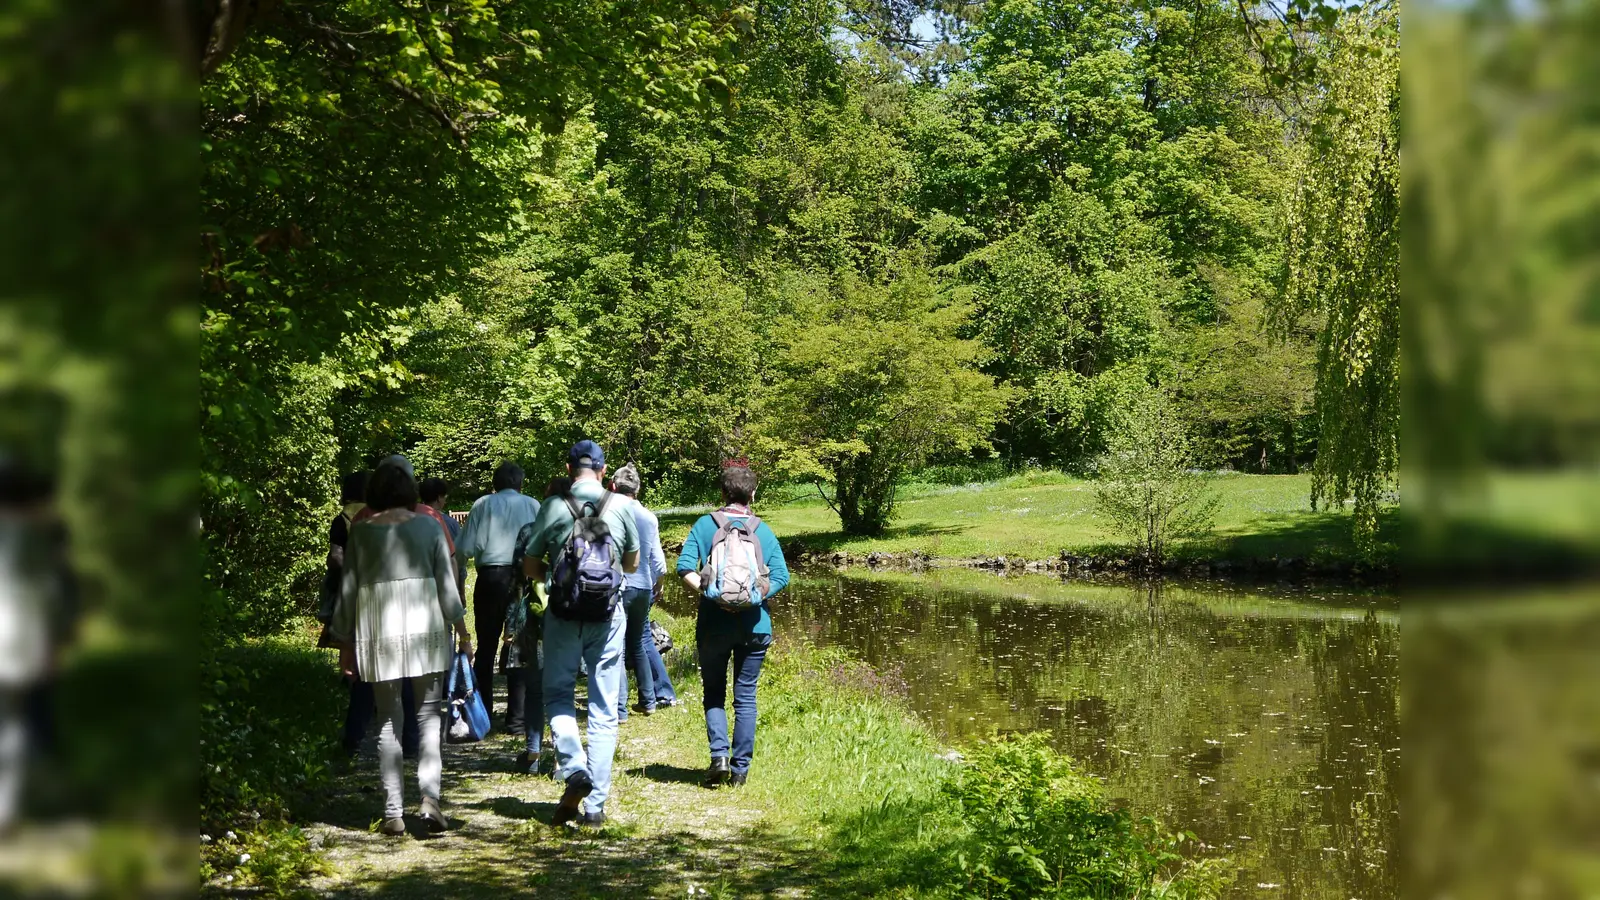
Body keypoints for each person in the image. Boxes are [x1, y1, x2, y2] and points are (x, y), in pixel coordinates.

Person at [329, 456, 472, 835]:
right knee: (427, 717)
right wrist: (463, 630)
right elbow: (447, 585)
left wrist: (344, 642)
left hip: (378, 633)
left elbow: (348, 593)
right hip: (425, 629)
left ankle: (393, 812)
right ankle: (430, 799)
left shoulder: (361, 532)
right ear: (411, 492)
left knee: (388, 721)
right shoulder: (429, 526)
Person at [522, 441, 639, 827]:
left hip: (562, 617)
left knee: (558, 694)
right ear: (604, 471)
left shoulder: (553, 506)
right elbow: (631, 563)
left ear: (570, 468)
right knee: (604, 709)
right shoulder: (621, 506)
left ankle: (574, 769)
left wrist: (557, 582)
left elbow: (530, 564)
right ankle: (595, 807)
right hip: (607, 616)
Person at [676, 463, 789, 788]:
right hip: (756, 626)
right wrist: (754, 597)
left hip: (713, 624)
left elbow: (684, 567)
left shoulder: (704, 525)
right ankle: (740, 771)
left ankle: (718, 757)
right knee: (746, 696)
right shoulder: (762, 531)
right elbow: (782, 576)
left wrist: (713, 594)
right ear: (752, 494)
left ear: (722, 493)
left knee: (713, 692)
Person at [455, 462, 541, 734]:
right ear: (520, 483)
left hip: (490, 577)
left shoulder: (482, 504)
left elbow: (464, 548)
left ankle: (484, 714)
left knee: (487, 646)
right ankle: (517, 719)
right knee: (520, 647)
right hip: (522, 577)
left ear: (495, 483)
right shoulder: (533, 505)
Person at [608, 464, 668, 720]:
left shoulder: (608, 512)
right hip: (643, 585)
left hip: (618, 585)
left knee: (617, 645)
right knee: (640, 642)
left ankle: (619, 709)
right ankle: (648, 700)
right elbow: (657, 560)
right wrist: (659, 582)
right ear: (638, 488)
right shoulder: (648, 516)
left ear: (612, 486)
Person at [419, 477, 465, 600]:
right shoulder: (449, 523)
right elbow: (455, 558)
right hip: (443, 582)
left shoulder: (411, 518)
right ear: (439, 498)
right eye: (444, 496)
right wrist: (460, 592)